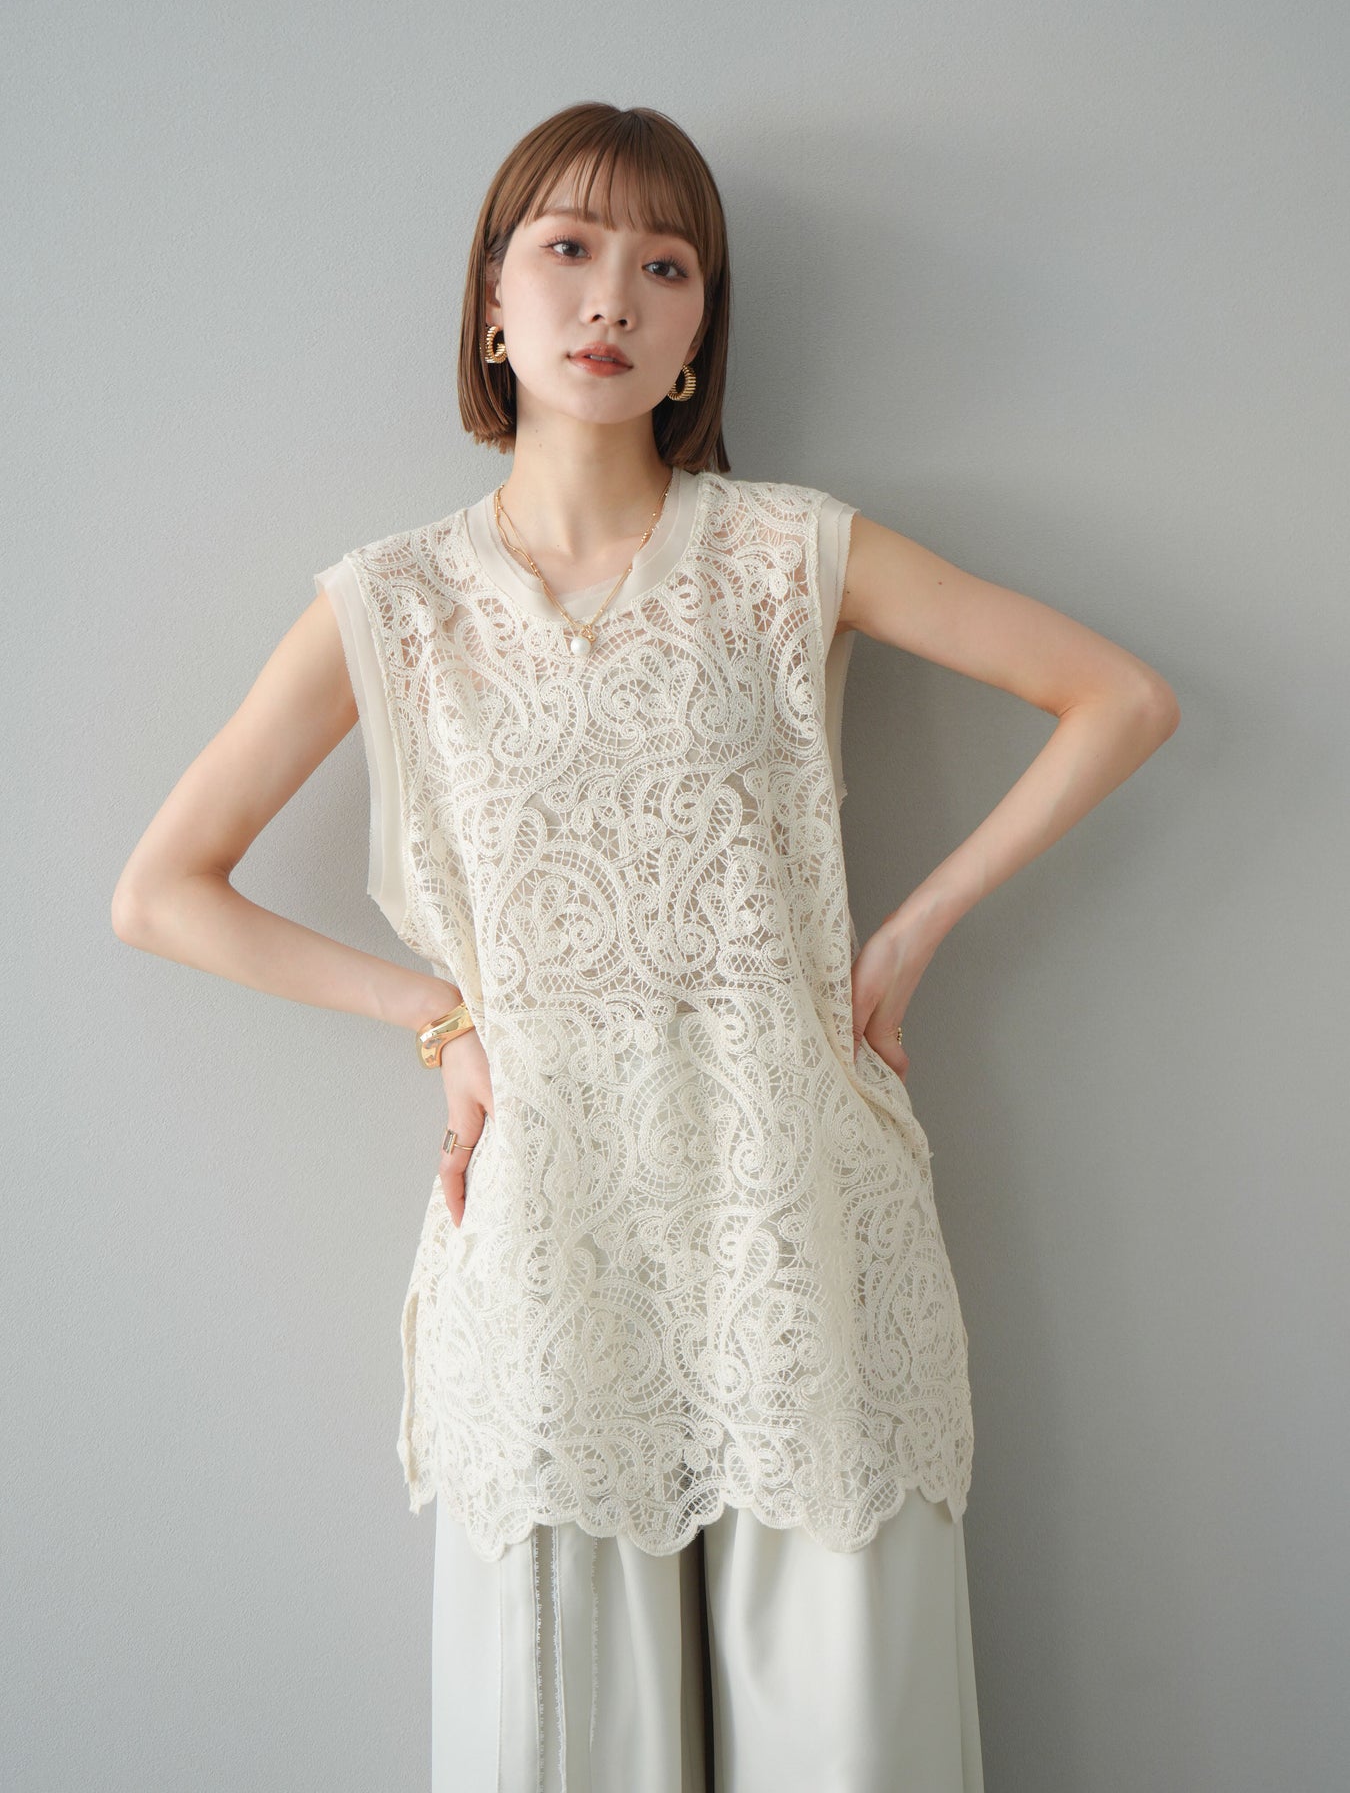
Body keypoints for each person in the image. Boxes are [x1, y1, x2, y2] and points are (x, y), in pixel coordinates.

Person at [113, 100, 1179, 1793]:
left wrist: (906, 934)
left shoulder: (788, 552)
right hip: (551, 1233)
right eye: (568, 248)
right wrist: (436, 1020)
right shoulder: (393, 604)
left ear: (699, 332)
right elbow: (163, 889)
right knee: (567, 1747)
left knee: (849, 1745)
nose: (611, 295)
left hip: (794, 1222)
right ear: (492, 301)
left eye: (664, 265)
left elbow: (1117, 699)